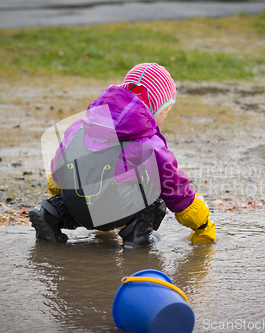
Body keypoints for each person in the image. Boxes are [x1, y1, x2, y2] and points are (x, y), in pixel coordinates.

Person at [30, 63, 216, 247]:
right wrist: (201, 224)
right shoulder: (147, 141)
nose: (165, 117)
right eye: (166, 110)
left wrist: (60, 195)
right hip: (112, 210)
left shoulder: (81, 125)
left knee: (80, 178)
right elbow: (175, 187)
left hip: (76, 204)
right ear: (154, 107)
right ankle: (137, 235)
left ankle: (53, 212)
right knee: (156, 184)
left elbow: (58, 167)